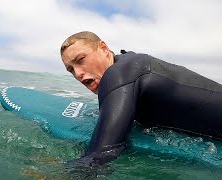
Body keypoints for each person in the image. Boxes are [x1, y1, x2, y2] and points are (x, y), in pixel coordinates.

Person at [60, 31, 222, 166]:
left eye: (81, 60)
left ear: (103, 48)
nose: (78, 73)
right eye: (71, 70)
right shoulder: (130, 63)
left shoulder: (118, 74)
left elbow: (101, 155)